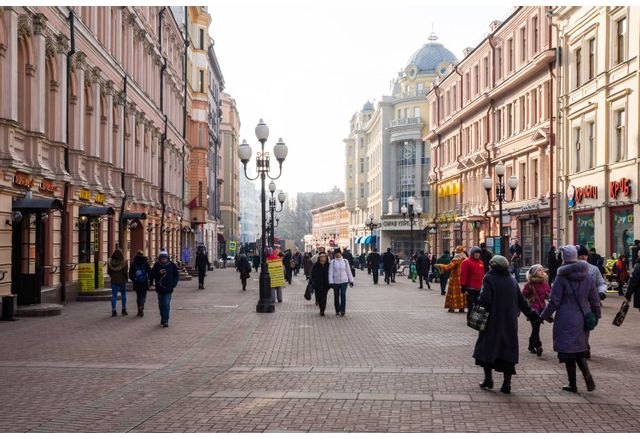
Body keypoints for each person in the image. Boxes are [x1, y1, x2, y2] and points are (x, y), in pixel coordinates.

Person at [473, 255, 541, 394]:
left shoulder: (489, 278)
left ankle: (488, 379)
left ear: (493, 266)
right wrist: (533, 315)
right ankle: (506, 384)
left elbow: (485, 299)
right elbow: (522, 302)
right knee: (508, 350)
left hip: (492, 321)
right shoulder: (512, 280)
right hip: (509, 322)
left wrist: (477, 301)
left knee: (487, 348)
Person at [540, 245, 600, 392]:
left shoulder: (561, 277)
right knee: (580, 349)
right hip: (583, 317)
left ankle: (572, 384)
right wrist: (597, 315)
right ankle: (587, 374)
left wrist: (543, 316)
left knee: (568, 351)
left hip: (566, 318)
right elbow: (594, 299)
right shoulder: (587, 275)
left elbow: (554, 302)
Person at [522, 265, 550, 356]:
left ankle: (531, 345)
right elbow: (523, 296)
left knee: (536, 328)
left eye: (542, 270)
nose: (542, 272)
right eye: (539, 270)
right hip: (533, 309)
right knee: (536, 327)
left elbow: (549, 295)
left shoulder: (545, 283)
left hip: (542, 308)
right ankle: (538, 345)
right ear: (534, 273)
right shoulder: (529, 284)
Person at [151, 250, 179, 327]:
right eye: (162, 259)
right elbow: (152, 275)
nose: (163, 260)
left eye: (165, 258)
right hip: (160, 288)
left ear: (167, 258)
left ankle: (165, 320)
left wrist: (173, 284)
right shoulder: (157, 265)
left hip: (168, 288)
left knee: (166, 304)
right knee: (161, 304)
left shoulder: (172, 265)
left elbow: (176, 275)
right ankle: (163, 317)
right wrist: (159, 273)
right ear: (159, 259)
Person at [436, 246, 467, 313]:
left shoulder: (456, 260)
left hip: (455, 280)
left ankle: (452, 307)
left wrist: (440, 266)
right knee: (462, 293)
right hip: (463, 279)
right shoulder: (465, 260)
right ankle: (462, 307)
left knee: (454, 293)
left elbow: (449, 267)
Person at [328, 248, 354, 316]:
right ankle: (337, 310)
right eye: (336, 253)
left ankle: (343, 310)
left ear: (341, 253)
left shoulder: (345, 261)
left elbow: (348, 271)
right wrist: (331, 282)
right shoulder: (332, 262)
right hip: (335, 282)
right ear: (335, 254)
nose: (337, 254)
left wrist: (351, 280)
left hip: (344, 281)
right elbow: (330, 273)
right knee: (336, 296)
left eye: (339, 253)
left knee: (343, 294)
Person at [460, 246, 485, 317]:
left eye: (478, 253)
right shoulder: (466, 262)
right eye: (476, 253)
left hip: (479, 287)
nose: (477, 254)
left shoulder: (481, 263)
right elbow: (463, 274)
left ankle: (475, 318)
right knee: (471, 304)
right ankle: (469, 318)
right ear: (472, 253)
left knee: (478, 304)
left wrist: (484, 285)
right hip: (470, 287)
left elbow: (482, 275)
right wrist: (463, 286)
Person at [129, 250, 151, 317]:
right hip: (144, 282)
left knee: (138, 296)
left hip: (137, 282)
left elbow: (130, 274)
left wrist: (134, 279)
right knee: (143, 295)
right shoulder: (146, 262)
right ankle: (142, 306)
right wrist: (151, 281)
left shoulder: (133, 263)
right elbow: (150, 272)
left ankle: (139, 310)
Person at [107, 248, 129, 317]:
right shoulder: (124, 262)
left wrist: (113, 276)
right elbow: (125, 272)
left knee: (114, 295)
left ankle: (113, 311)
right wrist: (126, 278)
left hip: (114, 280)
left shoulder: (110, 262)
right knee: (123, 294)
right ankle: (123, 309)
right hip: (122, 280)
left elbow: (109, 272)